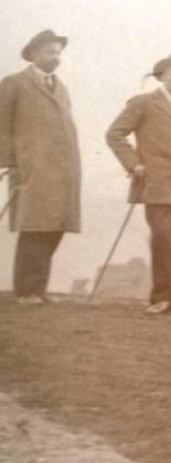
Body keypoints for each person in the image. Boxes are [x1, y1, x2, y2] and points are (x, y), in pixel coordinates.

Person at [106, 52, 171, 314]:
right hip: (156, 184)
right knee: (162, 239)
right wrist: (134, 164)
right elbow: (115, 134)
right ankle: (161, 297)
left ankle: (169, 296)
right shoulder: (143, 103)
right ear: (162, 77)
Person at [0, 30, 81, 304]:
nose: (56, 58)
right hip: (32, 168)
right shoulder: (14, 83)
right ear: (34, 54)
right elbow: (3, 125)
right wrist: (8, 161)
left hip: (64, 170)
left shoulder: (62, 87)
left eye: (58, 52)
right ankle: (26, 291)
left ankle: (39, 289)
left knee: (55, 226)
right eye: (50, 52)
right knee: (33, 226)